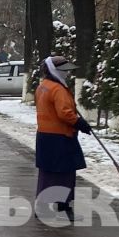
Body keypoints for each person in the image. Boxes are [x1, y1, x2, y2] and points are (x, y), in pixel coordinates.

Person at [34, 55, 88, 222]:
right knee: (66, 174)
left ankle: (42, 207)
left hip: (45, 137)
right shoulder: (57, 89)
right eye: (64, 71)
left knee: (47, 173)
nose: (67, 74)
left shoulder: (43, 86)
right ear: (54, 70)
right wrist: (80, 123)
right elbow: (64, 113)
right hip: (60, 138)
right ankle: (64, 208)